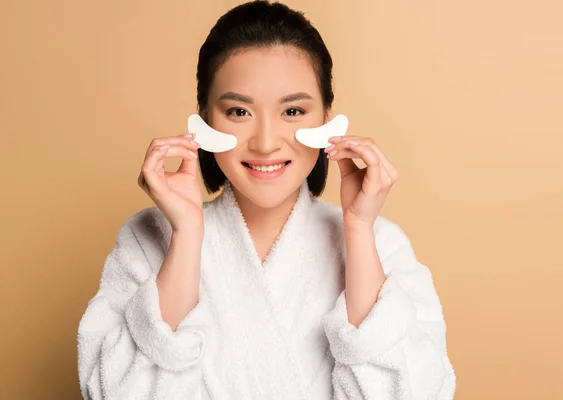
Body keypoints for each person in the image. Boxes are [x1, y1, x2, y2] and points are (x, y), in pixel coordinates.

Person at [76, 1, 456, 399]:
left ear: (327, 119)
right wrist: (186, 236)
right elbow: (112, 392)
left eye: (293, 110)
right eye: (239, 111)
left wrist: (359, 231)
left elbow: (417, 393)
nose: (266, 143)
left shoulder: (382, 244)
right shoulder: (146, 239)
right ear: (204, 120)